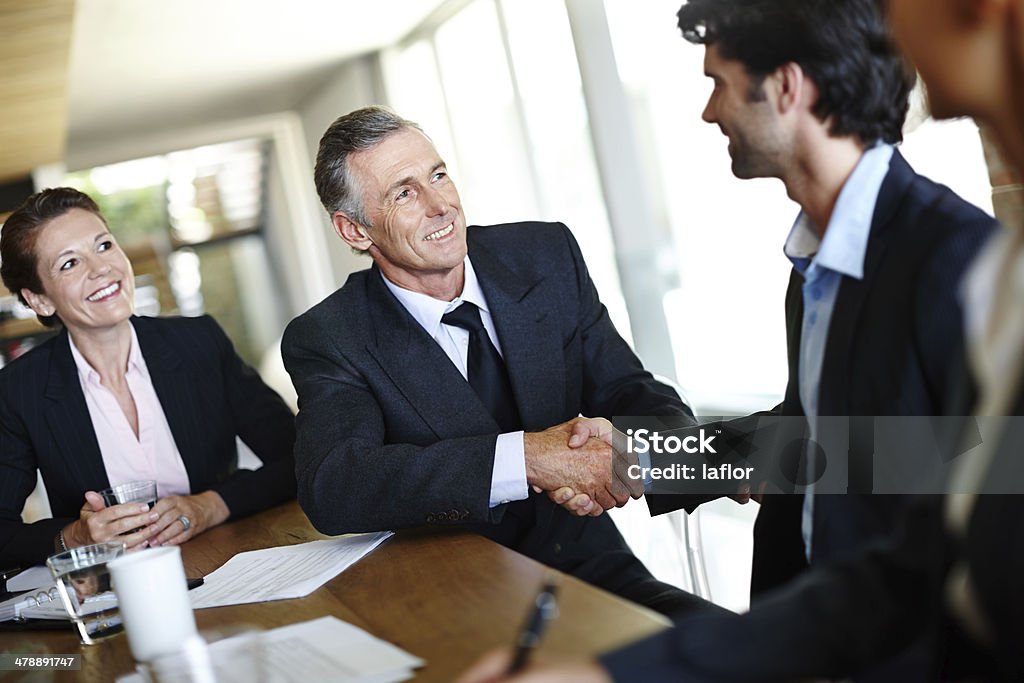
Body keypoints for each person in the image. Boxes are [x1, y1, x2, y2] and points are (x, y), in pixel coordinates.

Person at [456, 0, 1024, 680]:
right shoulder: (818, 262)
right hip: (811, 632)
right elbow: (817, 440)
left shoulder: (959, 263)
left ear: (786, 87)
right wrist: (641, 456)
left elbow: (940, 477)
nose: (709, 111)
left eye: (717, 82)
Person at [280, 106, 710, 616]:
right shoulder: (331, 336)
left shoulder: (544, 253)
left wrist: (627, 457)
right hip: (455, 597)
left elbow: (629, 390)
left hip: (594, 569)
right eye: (404, 192)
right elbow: (335, 485)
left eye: (438, 175)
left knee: (735, 650)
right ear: (355, 231)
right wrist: (530, 459)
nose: (441, 205)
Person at [0, 188, 297, 567]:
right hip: (114, 590)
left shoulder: (199, 343)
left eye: (104, 245)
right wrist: (75, 536)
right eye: (70, 263)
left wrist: (212, 505)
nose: (101, 268)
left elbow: (301, 460)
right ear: (40, 300)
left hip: (230, 564)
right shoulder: (19, 391)